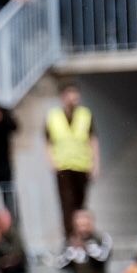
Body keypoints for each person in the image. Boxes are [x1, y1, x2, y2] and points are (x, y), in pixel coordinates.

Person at [45, 82, 98, 239]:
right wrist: (51, 162)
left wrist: (95, 163)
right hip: (63, 165)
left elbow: (92, 139)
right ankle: (70, 237)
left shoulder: (85, 114)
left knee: (81, 203)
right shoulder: (53, 116)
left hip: (82, 164)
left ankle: (84, 236)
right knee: (66, 204)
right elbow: (48, 141)